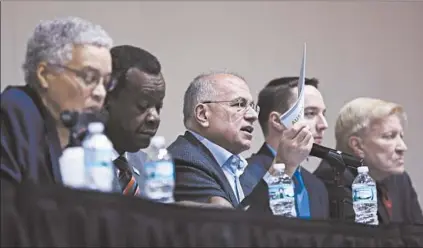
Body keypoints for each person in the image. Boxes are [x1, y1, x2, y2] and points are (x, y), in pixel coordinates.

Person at [167, 71, 314, 210]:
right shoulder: (184, 159)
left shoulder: (241, 170)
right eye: (239, 104)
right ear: (203, 114)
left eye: (252, 106)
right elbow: (236, 229)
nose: (253, 116)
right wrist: (284, 164)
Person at [1, 16, 113, 187]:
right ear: (44, 74)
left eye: (105, 82)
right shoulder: (14, 111)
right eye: (89, 78)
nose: (100, 93)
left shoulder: (86, 137)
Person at [314, 97, 423, 224]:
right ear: (357, 145)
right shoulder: (333, 179)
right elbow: (362, 240)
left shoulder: (399, 179)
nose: (402, 147)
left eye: (401, 136)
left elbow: (420, 230)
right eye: (389, 136)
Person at [243, 77, 330, 219]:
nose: (323, 124)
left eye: (323, 114)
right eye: (310, 113)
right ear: (277, 121)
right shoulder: (244, 174)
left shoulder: (317, 186)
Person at [103, 45, 165, 196]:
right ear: (107, 99)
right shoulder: (78, 161)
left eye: (158, 108)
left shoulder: (145, 164)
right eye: (142, 106)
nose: (154, 118)